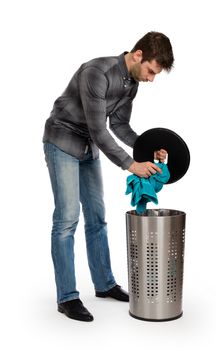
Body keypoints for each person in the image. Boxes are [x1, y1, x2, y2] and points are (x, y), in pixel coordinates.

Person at [43, 31, 174, 322]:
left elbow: (119, 125)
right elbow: (98, 129)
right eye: (151, 71)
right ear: (138, 55)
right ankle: (67, 297)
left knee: (97, 216)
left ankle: (103, 284)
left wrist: (149, 150)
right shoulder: (96, 71)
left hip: (89, 146)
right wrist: (131, 165)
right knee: (67, 218)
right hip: (62, 140)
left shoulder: (132, 84)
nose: (152, 78)